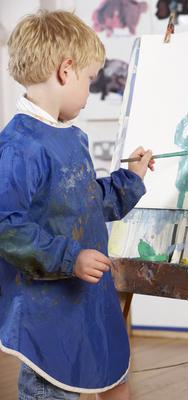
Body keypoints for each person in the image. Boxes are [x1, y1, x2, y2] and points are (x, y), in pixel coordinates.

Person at [0, 10, 154, 400]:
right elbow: (6, 227)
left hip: (88, 296)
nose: (90, 91)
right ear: (65, 70)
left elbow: (83, 201)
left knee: (114, 373)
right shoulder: (20, 146)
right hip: (47, 308)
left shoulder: (71, 137)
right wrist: (71, 258)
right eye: (89, 79)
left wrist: (131, 179)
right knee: (52, 387)